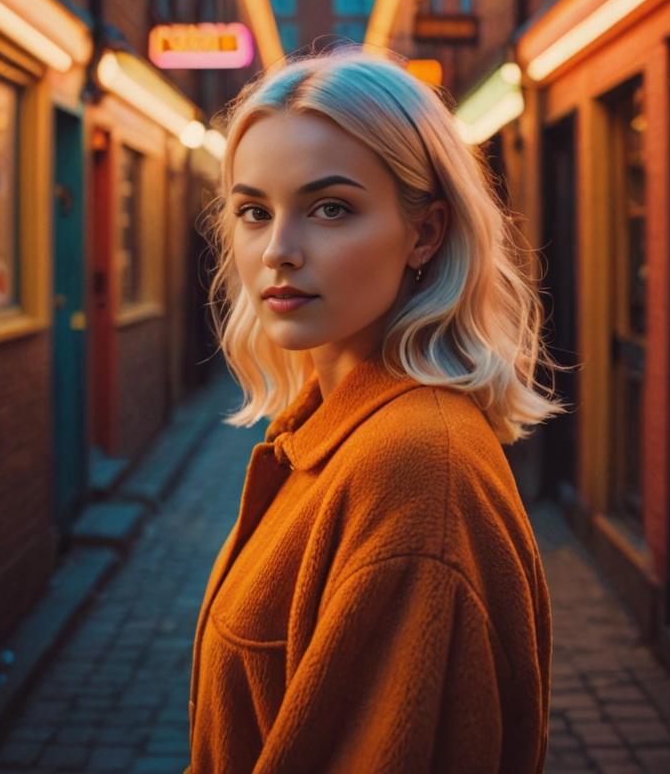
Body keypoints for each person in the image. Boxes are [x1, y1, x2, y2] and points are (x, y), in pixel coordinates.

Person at [186, 50, 561, 774]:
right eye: (254, 212)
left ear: (425, 233)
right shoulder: (330, 426)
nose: (279, 252)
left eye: (331, 208)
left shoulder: (416, 469)